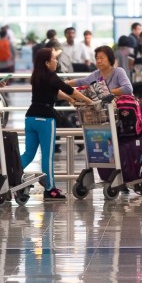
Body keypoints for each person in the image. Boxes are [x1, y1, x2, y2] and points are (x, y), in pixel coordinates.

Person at [22, 47, 92, 201]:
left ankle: (9, 176)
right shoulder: (52, 76)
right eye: (54, 59)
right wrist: (88, 101)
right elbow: (69, 89)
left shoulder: (37, 76)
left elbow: (56, 91)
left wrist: (69, 100)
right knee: (47, 156)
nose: (56, 61)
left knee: (29, 153)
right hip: (45, 119)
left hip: (31, 118)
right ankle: (50, 189)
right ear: (47, 63)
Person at [67, 45, 134, 96]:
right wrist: (66, 83)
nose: (98, 61)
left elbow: (128, 88)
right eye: (97, 58)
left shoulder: (118, 71)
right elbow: (82, 82)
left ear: (110, 59)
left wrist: (105, 92)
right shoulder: (96, 74)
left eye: (102, 58)